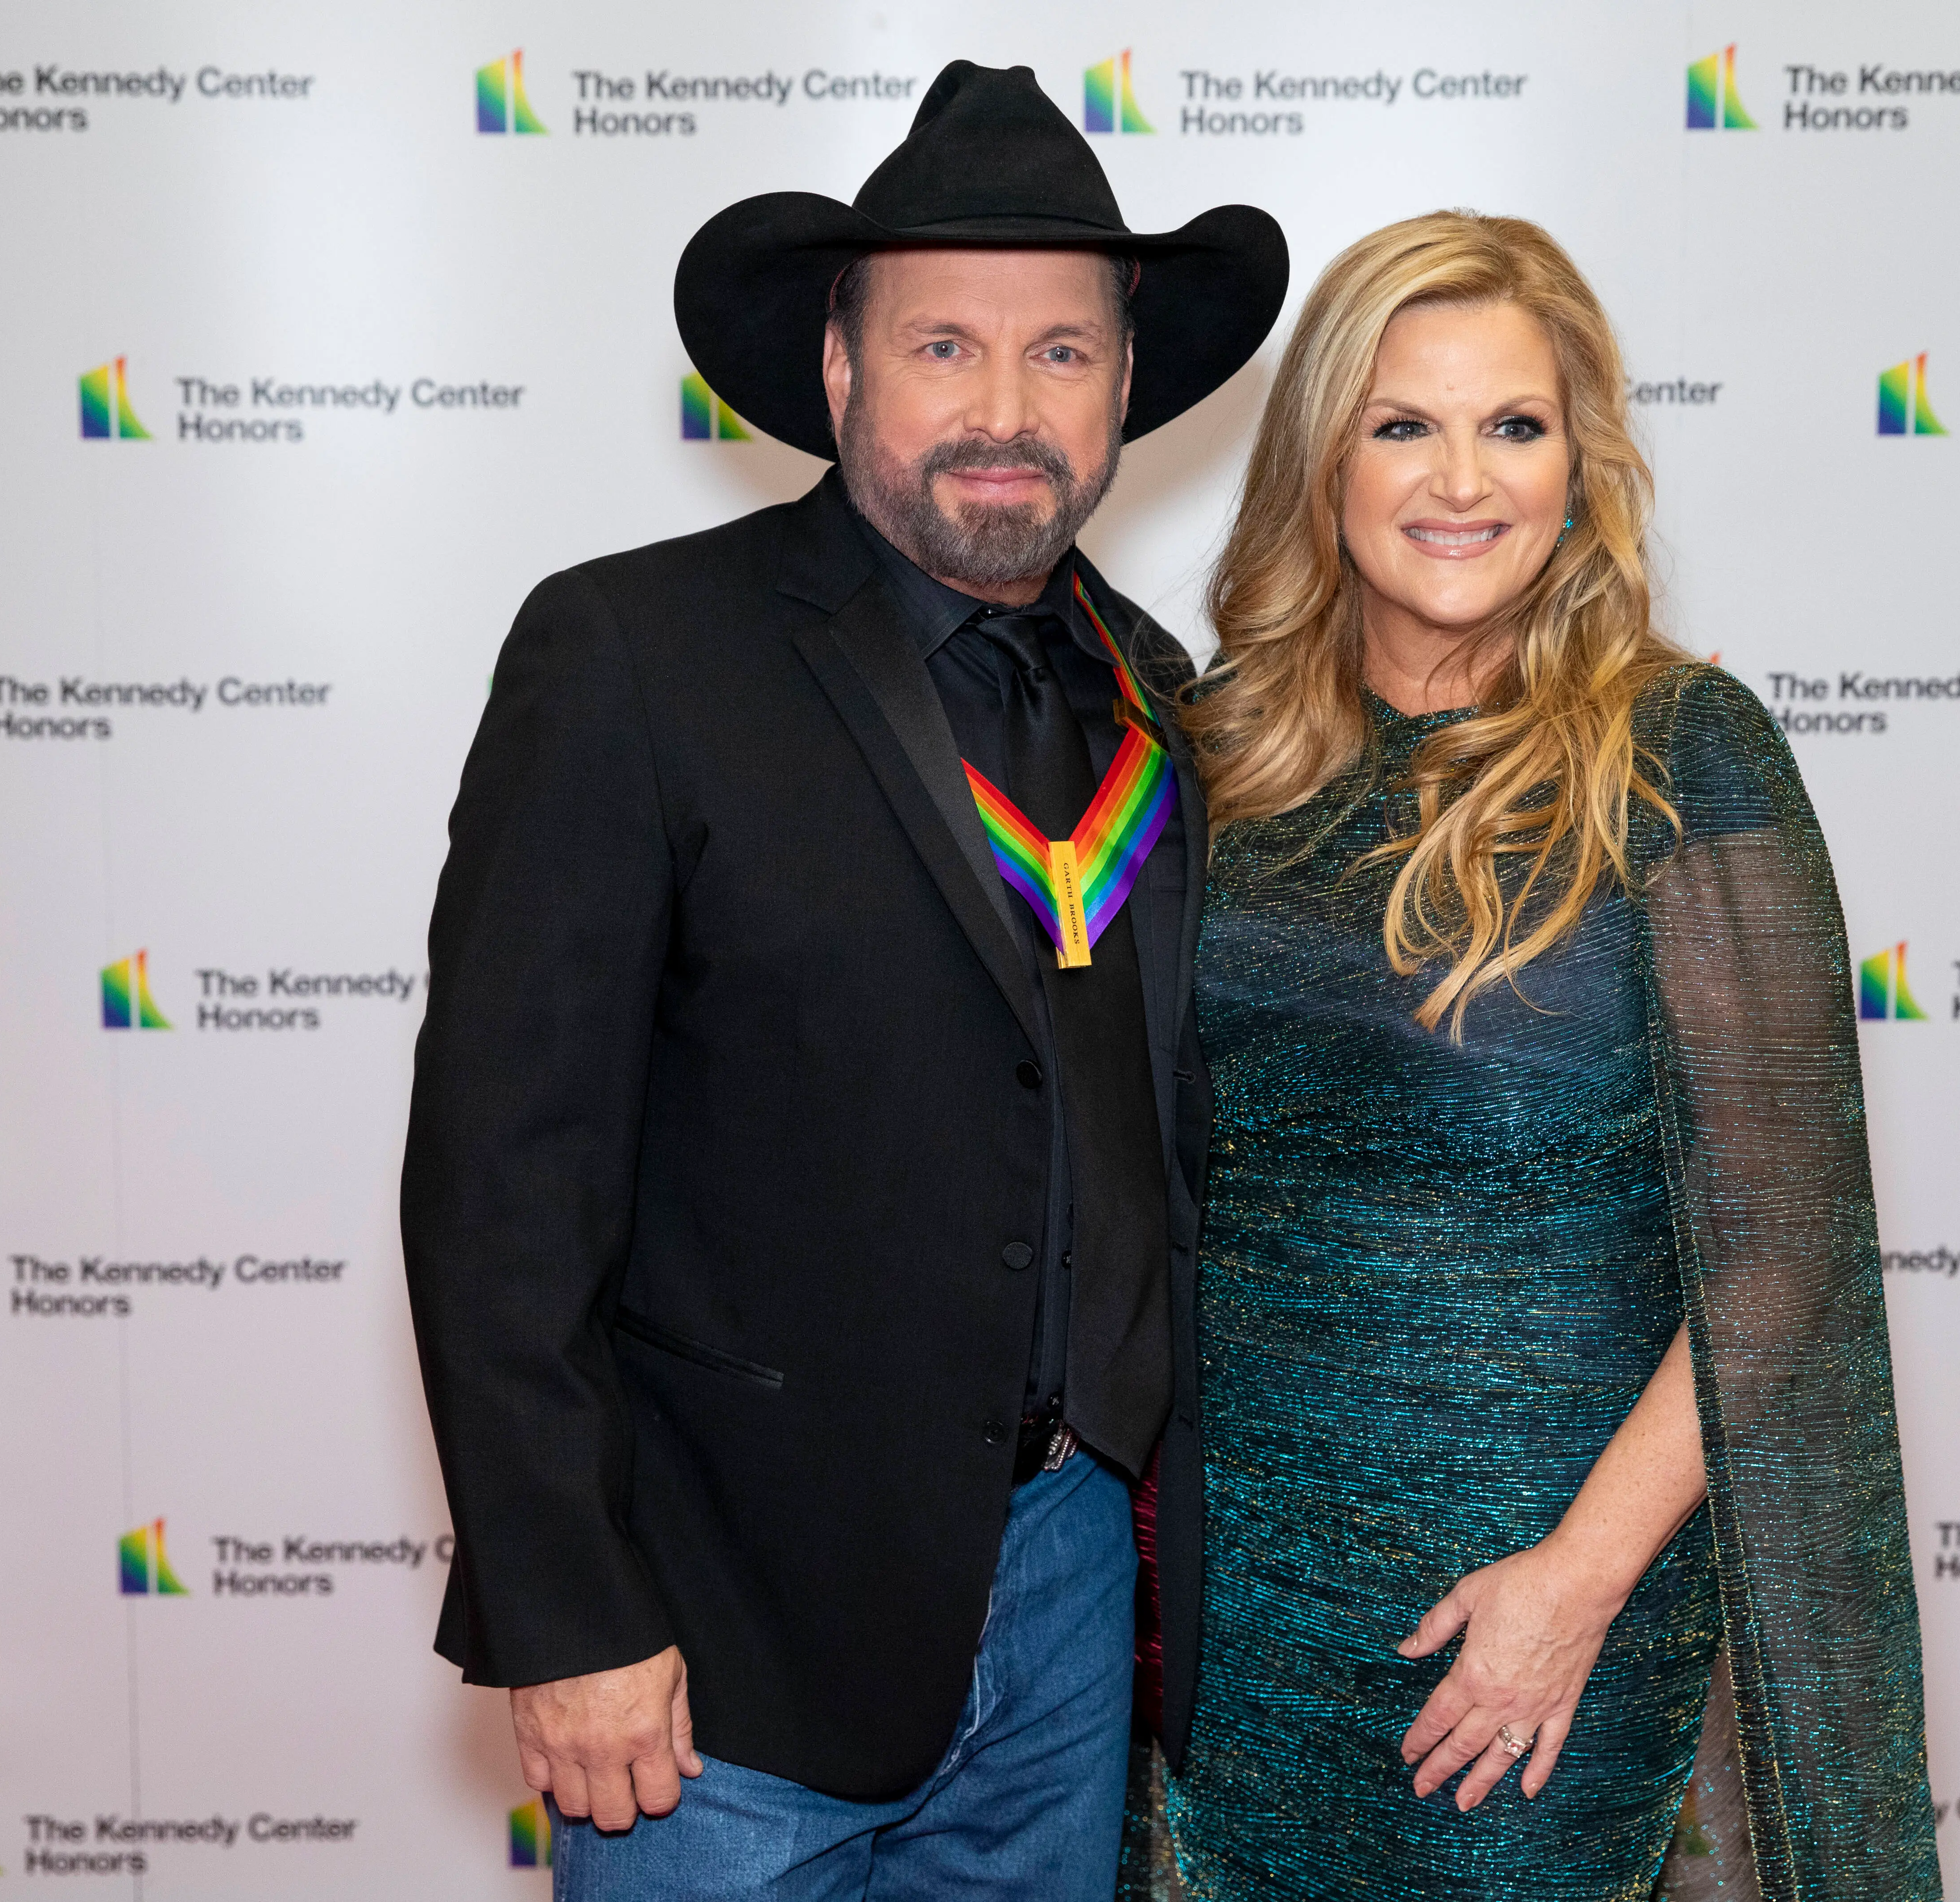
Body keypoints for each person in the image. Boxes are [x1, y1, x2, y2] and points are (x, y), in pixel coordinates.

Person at [397, 63, 1285, 1902]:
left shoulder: (1152, 688)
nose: (1000, 409)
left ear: (1124, 387)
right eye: (940, 344)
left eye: (1058, 354)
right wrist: (565, 1615)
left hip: (1060, 1600)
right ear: (836, 372)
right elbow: (502, 1184)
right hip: (723, 1641)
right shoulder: (634, 654)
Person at [1151, 212, 1939, 1899]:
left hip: (1538, 1618)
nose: (1463, 479)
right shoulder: (1220, 755)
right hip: (1238, 1614)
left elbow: (1782, 1256)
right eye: (1403, 423)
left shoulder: (1683, 758)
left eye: (1514, 425)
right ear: (1322, 463)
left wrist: (1576, 1583)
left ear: (1580, 468)